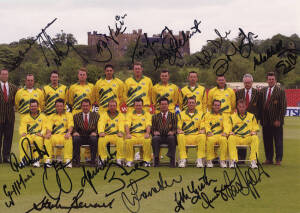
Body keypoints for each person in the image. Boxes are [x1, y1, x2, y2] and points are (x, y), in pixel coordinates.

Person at [258, 72, 287, 165]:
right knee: (267, 141)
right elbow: (260, 106)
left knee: (278, 141)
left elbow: (283, 107)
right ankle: (269, 159)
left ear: (275, 80)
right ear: (267, 80)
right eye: (269, 79)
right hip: (265, 121)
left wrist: (279, 119)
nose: (271, 81)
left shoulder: (280, 91)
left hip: (276, 121)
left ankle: (278, 159)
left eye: (272, 79)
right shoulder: (262, 91)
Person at [68, 67, 95, 161]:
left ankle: (89, 158)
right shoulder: (72, 87)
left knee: (89, 134)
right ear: (78, 75)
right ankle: (76, 158)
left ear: (86, 76)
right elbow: (70, 101)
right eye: (80, 74)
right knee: (75, 135)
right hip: (76, 113)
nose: (82, 76)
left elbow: (94, 100)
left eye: (84, 74)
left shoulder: (92, 86)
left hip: (88, 113)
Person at [227, 99, 259, 169]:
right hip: (237, 137)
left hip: (247, 138)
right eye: (240, 107)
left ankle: (253, 161)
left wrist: (255, 132)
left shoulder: (251, 116)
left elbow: (255, 127)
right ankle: (233, 160)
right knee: (230, 137)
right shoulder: (232, 117)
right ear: (237, 107)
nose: (241, 108)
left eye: (243, 106)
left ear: (246, 107)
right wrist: (230, 132)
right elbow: (228, 127)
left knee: (255, 137)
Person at [18, 99, 51, 167]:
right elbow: (22, 127)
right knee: (23, 140)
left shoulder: (43, 116)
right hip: (29, 135)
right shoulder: (25, 117)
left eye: (35, 106)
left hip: (38, 135)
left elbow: (45, 127)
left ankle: (36, 160)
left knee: (38, 140)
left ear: (38, 106)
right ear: (29, 107)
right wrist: (23, 133)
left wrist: (41, 133)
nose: (33, 108)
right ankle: (23, 160)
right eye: (32, 106)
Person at [235, 73, 260, 162]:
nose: (247, 84)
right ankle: (240, 159)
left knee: (252, 139)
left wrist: (257, 120)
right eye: (245, 83)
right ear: (243, 83)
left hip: (252, 121)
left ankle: (253, 159)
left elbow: (259, 107)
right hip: (240, 119)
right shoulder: (238, 93)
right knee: (240, 138)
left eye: (249, 82)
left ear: (252, 82)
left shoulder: (257, 93)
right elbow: (236, 106)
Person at [177, 97, 206, 168]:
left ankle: (199, 159)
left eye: (193, 103)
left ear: (196, 104)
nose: (191, 104)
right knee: (180, 136)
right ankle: (183, 159)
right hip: (185, 136)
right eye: (189, 103)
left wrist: (202, 130)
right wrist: (179, 130)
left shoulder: (201, 114)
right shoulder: (181, 114)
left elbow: (203, 126)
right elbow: (178, 126)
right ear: (187, 104)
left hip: (196, 136)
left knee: (202, 136)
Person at [44, 99, 73, 167]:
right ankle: (48, 160)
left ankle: (67, 160)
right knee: (47, 139)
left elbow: (70, 125)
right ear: (55, 107)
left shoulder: (68, 115)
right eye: (57, 106)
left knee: (69, 138)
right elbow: (49, 127)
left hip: (64, 136)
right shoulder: (51, 116)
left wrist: (69, 132)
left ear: (64, 106)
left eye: (61, 106)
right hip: (54, 136)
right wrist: (48, 133)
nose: (59, 108)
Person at [125, 98, 152, 167]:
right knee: (128, 141)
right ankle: (129, 160)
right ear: (134, 106)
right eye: (136, 105)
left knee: (147, 141)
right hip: (133, 135)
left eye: (140, 105)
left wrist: (147, 133)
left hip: (143, 135)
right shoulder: (129, 114)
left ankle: (146, 161)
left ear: (142, 106)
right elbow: (127, 125)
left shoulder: (147, 114)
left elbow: (148, 125)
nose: (138, 107)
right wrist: (128, 134)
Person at [72, 99, 99, 167]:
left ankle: (93, 161)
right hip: (80, 136)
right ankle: (77, 161)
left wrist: (95, 132)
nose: (85, 107)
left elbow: (98, 127)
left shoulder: (96, 116)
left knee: (94, 139)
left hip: (91, 136)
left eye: (87, 106)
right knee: (75, 139)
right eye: (83, 106)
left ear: (90, 106)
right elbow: (74, 127)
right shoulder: (76, 116)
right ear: (81, 107)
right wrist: (75, 132)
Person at [151, 97, 177, 167]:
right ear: (159, 106)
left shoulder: (173, 116)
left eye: (165, 104)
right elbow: (152, 129)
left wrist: (173, 132)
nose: (164, 106)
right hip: (159, 137)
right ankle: (156, 159)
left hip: (169, 136)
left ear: (168, 105)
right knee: (155, 138)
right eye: (162, 104)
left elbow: (175, 127)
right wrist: (154, 132)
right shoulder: (155, 116)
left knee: (172, 138)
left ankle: (171, 160)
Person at [98, 99, 125, 165]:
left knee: (120, 140)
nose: (112, 107)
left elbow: (122, 124)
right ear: (108, 106)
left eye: (114, 106)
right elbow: (101, 123)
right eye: (111, 106)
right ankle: (103, 158)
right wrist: (101, 132)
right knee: (101, 140)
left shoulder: (120, 115)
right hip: (106, 135)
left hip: (116, 135)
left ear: (116, 106)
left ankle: (119, 159)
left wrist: (121, 132)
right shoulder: (104, 115)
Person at [0, 69, 17, 163]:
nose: (4, 76)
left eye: (6, 74)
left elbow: (16, 101)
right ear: (0, 75)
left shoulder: (13, 87)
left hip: (10, 118)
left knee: (8, 138)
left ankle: (6, 157)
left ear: (8, 75)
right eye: (2, 74)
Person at [204, 99, 228, 168]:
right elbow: (206, 124)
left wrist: (225, 132)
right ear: (212, 106)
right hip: (211, 135)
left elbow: (226, 125)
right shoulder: (208, 114)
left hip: (220, 135)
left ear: (220, 106)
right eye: (215, 105)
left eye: (218, 105)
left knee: (224, 140)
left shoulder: (224, 115)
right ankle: (209, 160)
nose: (216, 107)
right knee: (210, 140)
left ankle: (223, 161)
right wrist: (208, 131)